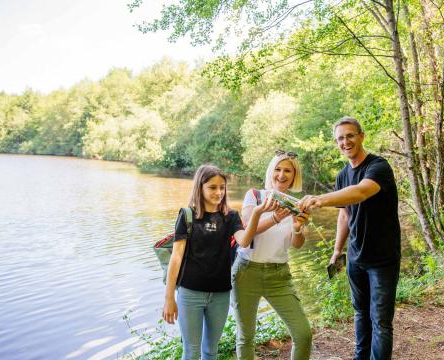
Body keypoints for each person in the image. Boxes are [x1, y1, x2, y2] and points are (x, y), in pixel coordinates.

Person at [298, 117, 401, 360]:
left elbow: (361, 192)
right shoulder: (343, 176)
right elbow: (345, 216)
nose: (346, 142)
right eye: (340, 138)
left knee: (381, 321)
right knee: (360, 314)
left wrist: (321, 199)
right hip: (356, 257)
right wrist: (337, 250)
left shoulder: (378, 167)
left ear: (361, 136)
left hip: (383, 258)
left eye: (350, 136)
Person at [162, 164, 277, 360]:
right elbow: (176, 257)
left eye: (222, 187)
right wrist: (169, 298)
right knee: (191, 352)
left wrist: (257, 214)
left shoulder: (231, 216)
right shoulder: (187, 215)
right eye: (212, 187)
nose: (219, 192)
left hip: (220, 295)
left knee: (211, 351)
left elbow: (244, 240)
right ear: (200, 187)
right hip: (190, 293)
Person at [231, 150, 313, 360]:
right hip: (246, 272)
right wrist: (275, 217)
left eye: (288, 170)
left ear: (295, 175)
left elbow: (297, 244)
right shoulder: (255, 195)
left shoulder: (297, 204)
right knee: (246, 337)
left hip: (279, 275)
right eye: (277, 169)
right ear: (271, 171)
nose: (281, 174)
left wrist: (297, 227)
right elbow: (248, 228)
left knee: (303, 334)